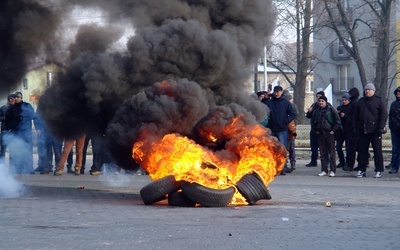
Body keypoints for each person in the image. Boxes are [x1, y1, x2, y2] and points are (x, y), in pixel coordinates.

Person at [352, 83, 388, 178]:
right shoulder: (361, 101)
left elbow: (384, 114)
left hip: (375, 130)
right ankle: (361, 169)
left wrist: (381, 127)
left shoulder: (379, 101)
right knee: (362, 151)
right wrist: (354, 127)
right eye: (366, 89)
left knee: (377, 151)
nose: (367, 91)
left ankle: (379, 170)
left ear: (373, 91)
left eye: (369, 89)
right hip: (363, 130)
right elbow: (355, 115)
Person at [266, 86, 296, 174]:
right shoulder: (270, 102)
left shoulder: (286, 103)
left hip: (282, 130)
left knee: (282, 150)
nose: (276, 93)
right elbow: (263, 109)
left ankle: (282, 168)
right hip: (272, 129)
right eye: (275, 92)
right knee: (272, 149)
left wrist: (285, 121)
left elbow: (293, 114)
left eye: (278, 92)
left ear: (281, 92)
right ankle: (274, 168)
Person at [5, 91, 36, 174]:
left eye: (17, 97)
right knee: (15, 151)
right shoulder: (11, 108)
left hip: (26, 132)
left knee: (28, 150)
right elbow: (7, 119)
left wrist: (24, 117)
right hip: (16, 132)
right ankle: (15, 169)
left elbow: (33, 116)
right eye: (15, 97)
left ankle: (29, 168)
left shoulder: (27, 106)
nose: (16, 99)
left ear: (21, 98)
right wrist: (9, 128)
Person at [312, 95, 341, 177]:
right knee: (322, 153)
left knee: (332, 153)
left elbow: (337, 121)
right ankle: (324, 169)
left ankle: (333, 170)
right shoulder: (316, 111)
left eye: (322, 101)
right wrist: (315, 130)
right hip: (320, 134)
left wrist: (333, 130)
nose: (320, 102)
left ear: (325, 102)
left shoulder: (331, 110)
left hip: (329, 133)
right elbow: (313, 121)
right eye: (319, 101)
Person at [305, 91, 325, 167]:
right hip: (314, 129)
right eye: (317, 96)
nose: (318, 98)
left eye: (320, 96)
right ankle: (313, 161)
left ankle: (326, 161)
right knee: (313, 147)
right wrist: (309, 112)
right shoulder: (314, 105)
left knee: (324, 147)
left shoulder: (327, 106)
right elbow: (309, 116)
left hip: (323, 130)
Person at [342, 87, 360, 172]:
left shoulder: (354, 103)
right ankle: (355, 164)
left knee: (352, 148)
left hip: (353, 128)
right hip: (352, 128)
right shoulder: (355, 102)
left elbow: (353, 117)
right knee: (354, 148)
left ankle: (351, 164)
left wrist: (346, 117)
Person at [336, 93, 351, 169]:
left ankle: (348, 162)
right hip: (340, 131)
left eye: (345, 100)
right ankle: (341, 161)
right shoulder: (339, 107)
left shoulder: (351, 107)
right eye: (343, 100)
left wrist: (345, 116)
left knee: (348, 148)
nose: (344, 101)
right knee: (338, 147)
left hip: (348, 130)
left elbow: (352, 119)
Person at [284, 93, 298, 171]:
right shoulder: (288, 107)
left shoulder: (289, 107)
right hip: (290, 132)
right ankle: (291, 163)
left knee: (288, 149)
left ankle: (288, 164)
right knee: (290, 149)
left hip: (289, 132)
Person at [0, 94, 16, 164]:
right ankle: (2, 165)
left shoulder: (15, 108)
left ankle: (12, 165)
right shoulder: (3, 108)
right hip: (4, 131)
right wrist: (6, 118)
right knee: (3, 149)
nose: (10, 100)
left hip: (13, 131)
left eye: (12, 99)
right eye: (9, 99)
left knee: (12, 149)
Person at [388, 87, 400, 174]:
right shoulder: (393, 104)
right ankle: (395, 166)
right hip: (394, 130)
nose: (398, 94)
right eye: (397, 92)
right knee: (395, 149)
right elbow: (390, 116)